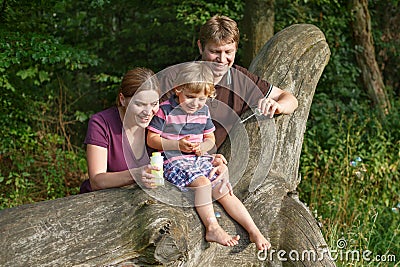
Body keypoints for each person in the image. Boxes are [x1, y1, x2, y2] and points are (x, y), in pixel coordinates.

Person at [147, 62, 270, 250]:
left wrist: (203, 147)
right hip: (173, 161)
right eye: (190, 97)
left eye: (201, 99)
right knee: (203, 183)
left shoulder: (203, 111)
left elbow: (210, 138)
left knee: (223, 189)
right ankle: (212, 226)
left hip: (198, 159)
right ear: (178, 88)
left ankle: (253, 230)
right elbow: (152, 139)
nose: (194, 104)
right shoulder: (165, 110)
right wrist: (176, 144)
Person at [80, 67, 228, 193]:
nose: (148, 111)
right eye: (140, 104)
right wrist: (135, 175)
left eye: (154, 103)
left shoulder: (159, 121)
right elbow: (97, 181)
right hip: (102, 203)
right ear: (122, 99)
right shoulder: (101, 123)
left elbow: (180, 154)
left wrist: (210, 160)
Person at [197, 15, 299, 148]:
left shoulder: (241, 80)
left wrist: (278, 106)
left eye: (228, 52)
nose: (222, 59)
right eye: (215, 51)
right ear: (200, 47)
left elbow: (291, 100)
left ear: (236, 49)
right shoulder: (177, 78)